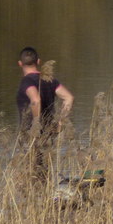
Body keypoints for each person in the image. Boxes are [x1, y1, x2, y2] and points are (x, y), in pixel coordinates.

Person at [16, 46, 74, 177]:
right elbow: (68, 98)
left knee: (31, 169)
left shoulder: (27, 81)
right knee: (43, 168)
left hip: (32, 133)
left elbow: (35, 99)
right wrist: (61, 121)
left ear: (20, 64)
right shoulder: (50, 80)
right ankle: (44, 194)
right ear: (38, 61)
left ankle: (36, 195)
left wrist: (36, 124)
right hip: (49, 132)